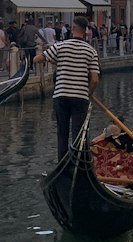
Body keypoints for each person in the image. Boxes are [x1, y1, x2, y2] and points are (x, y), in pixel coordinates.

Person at [34, 14, 100, 161]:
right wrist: (88, 94)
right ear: (85, 31)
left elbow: (37, 59)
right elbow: (95, 80)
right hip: (80, 97)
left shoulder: (60, 46)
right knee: (78, 135)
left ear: (74, 29)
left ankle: (62, 165)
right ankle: (78, 165)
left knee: (62, 134)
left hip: (61, 96)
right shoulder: (91, 51)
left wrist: (56, 58)